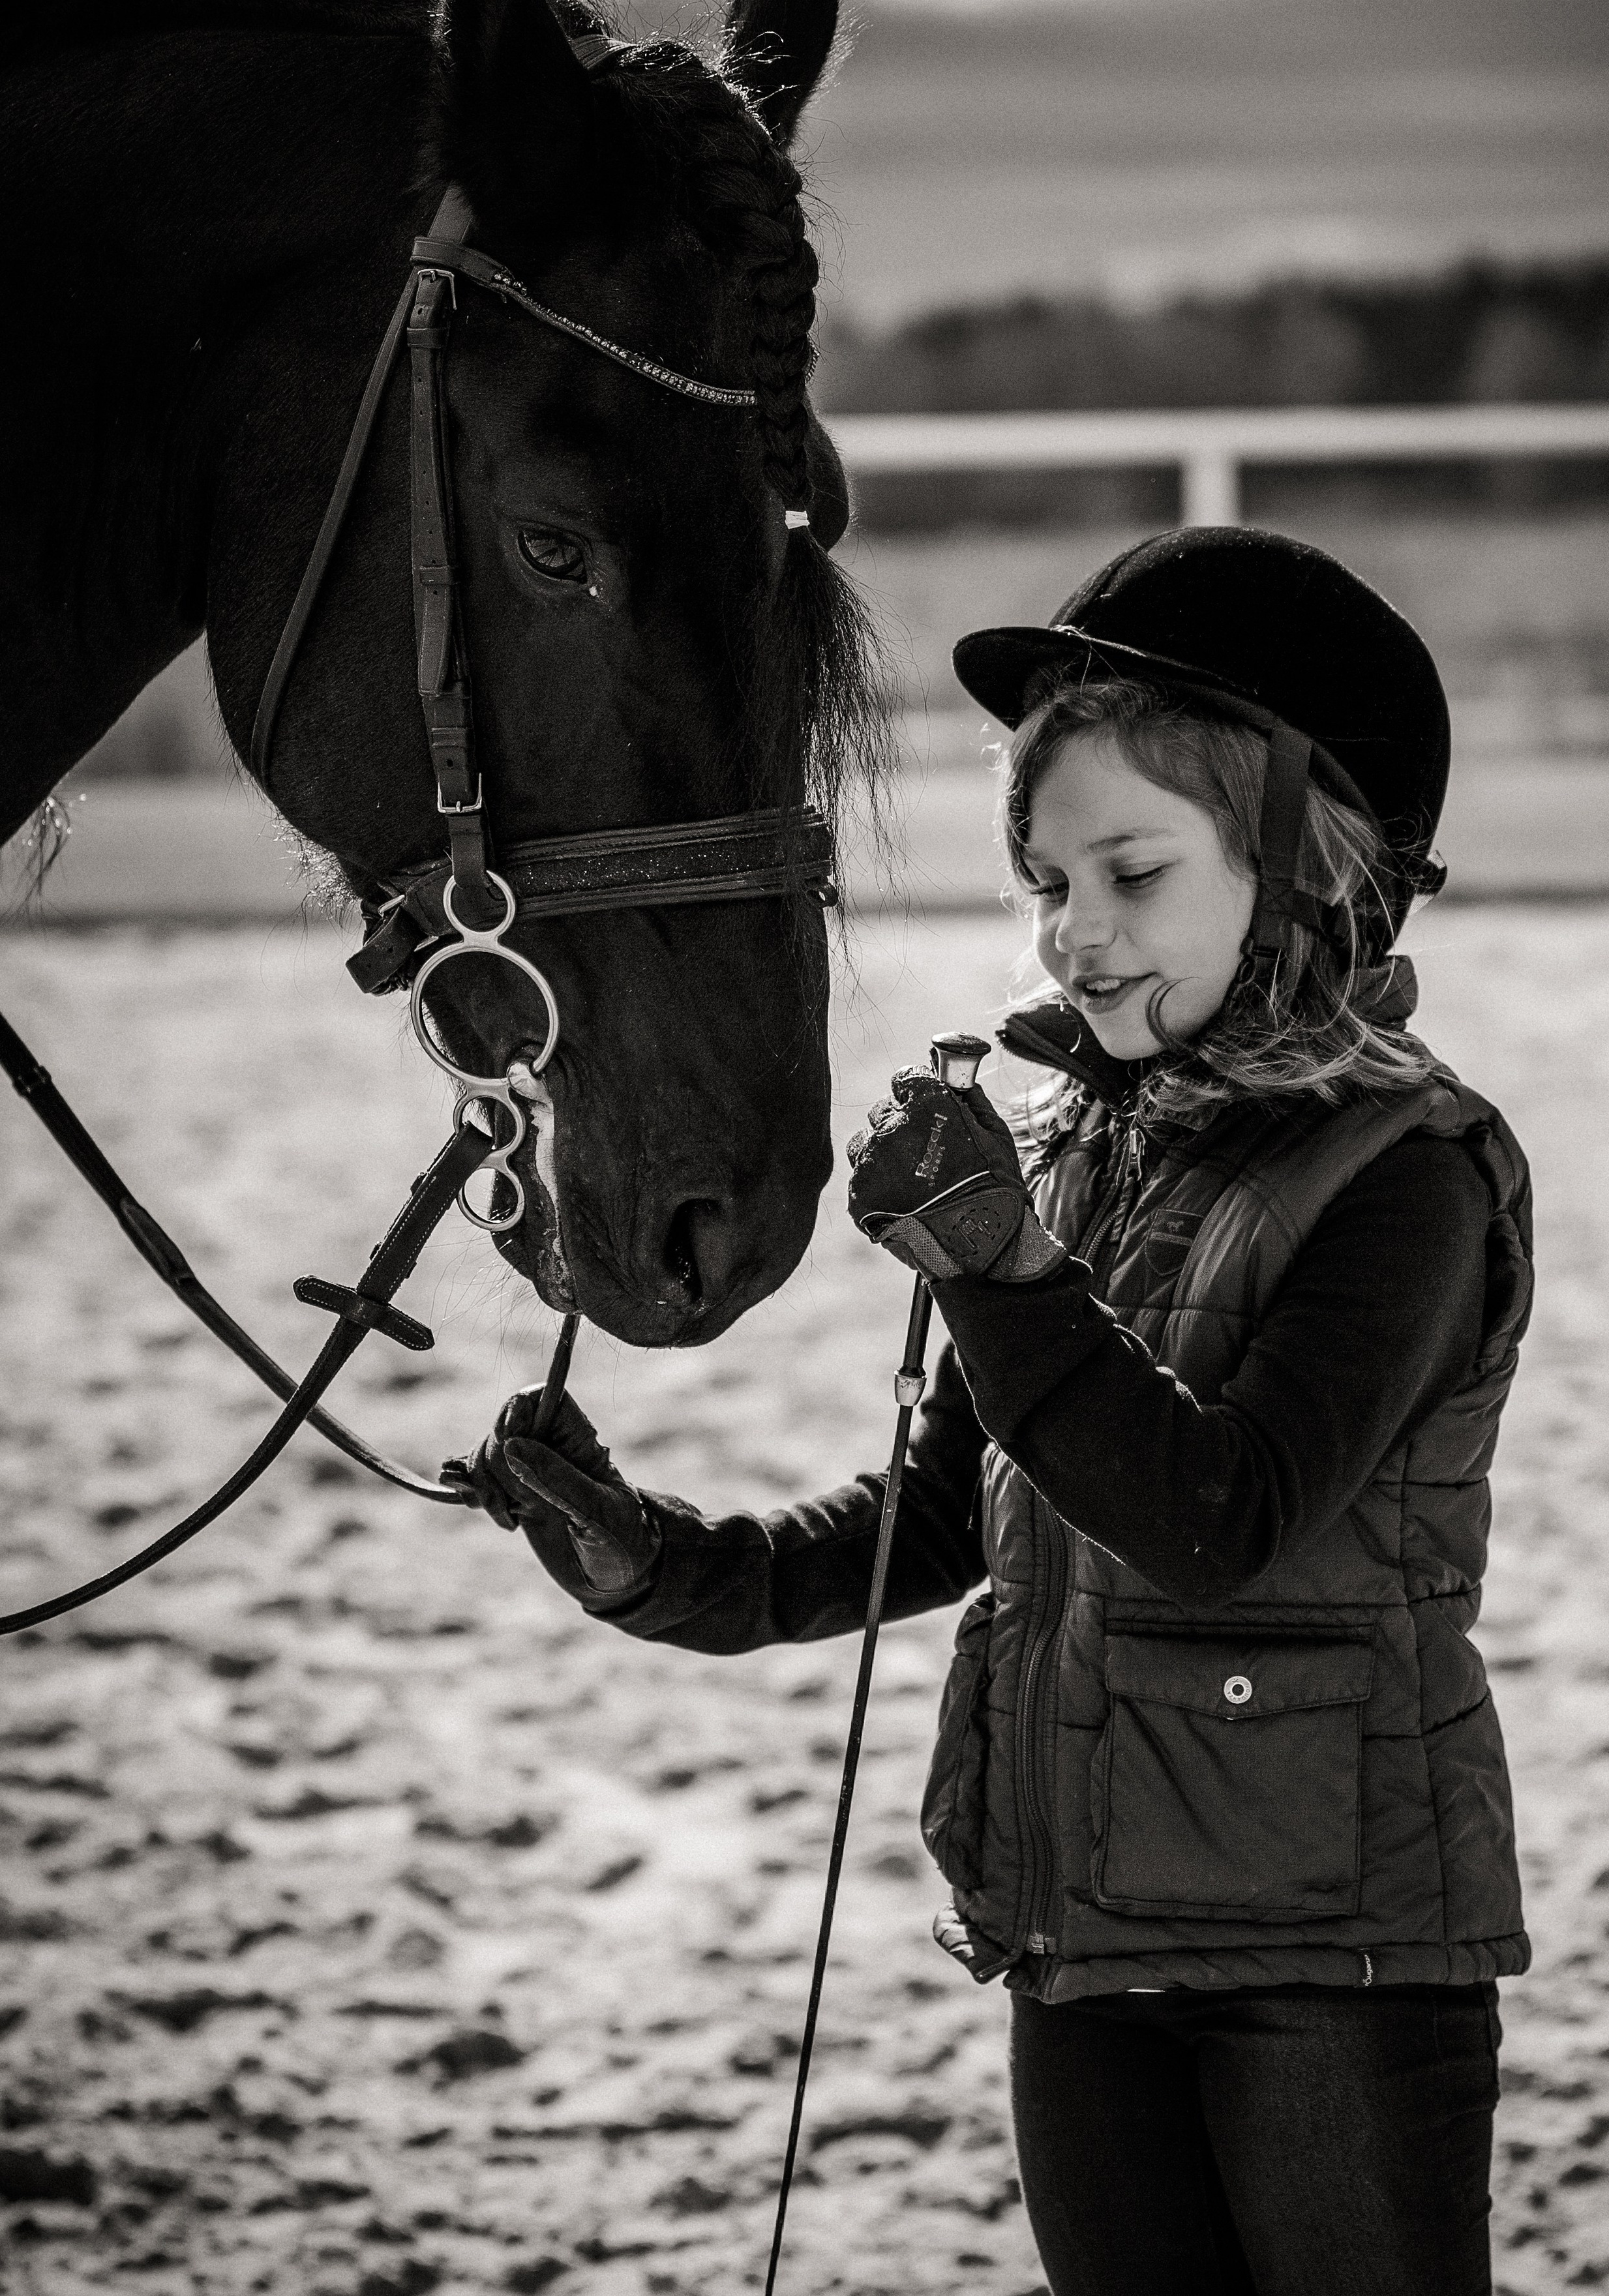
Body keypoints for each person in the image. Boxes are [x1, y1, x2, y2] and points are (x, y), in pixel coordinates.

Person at [458, 526, 1533, 2296]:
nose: (1075, 935)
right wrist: (659, 1565)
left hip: (1335, 1970)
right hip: (1080, 1938)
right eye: (1045, 881)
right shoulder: (1089, 1146)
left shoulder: (1408, 1177)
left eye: (1132, 873)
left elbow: (1217, 1515)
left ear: (1310, 874)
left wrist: (995, 1265)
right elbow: (952, 1513)